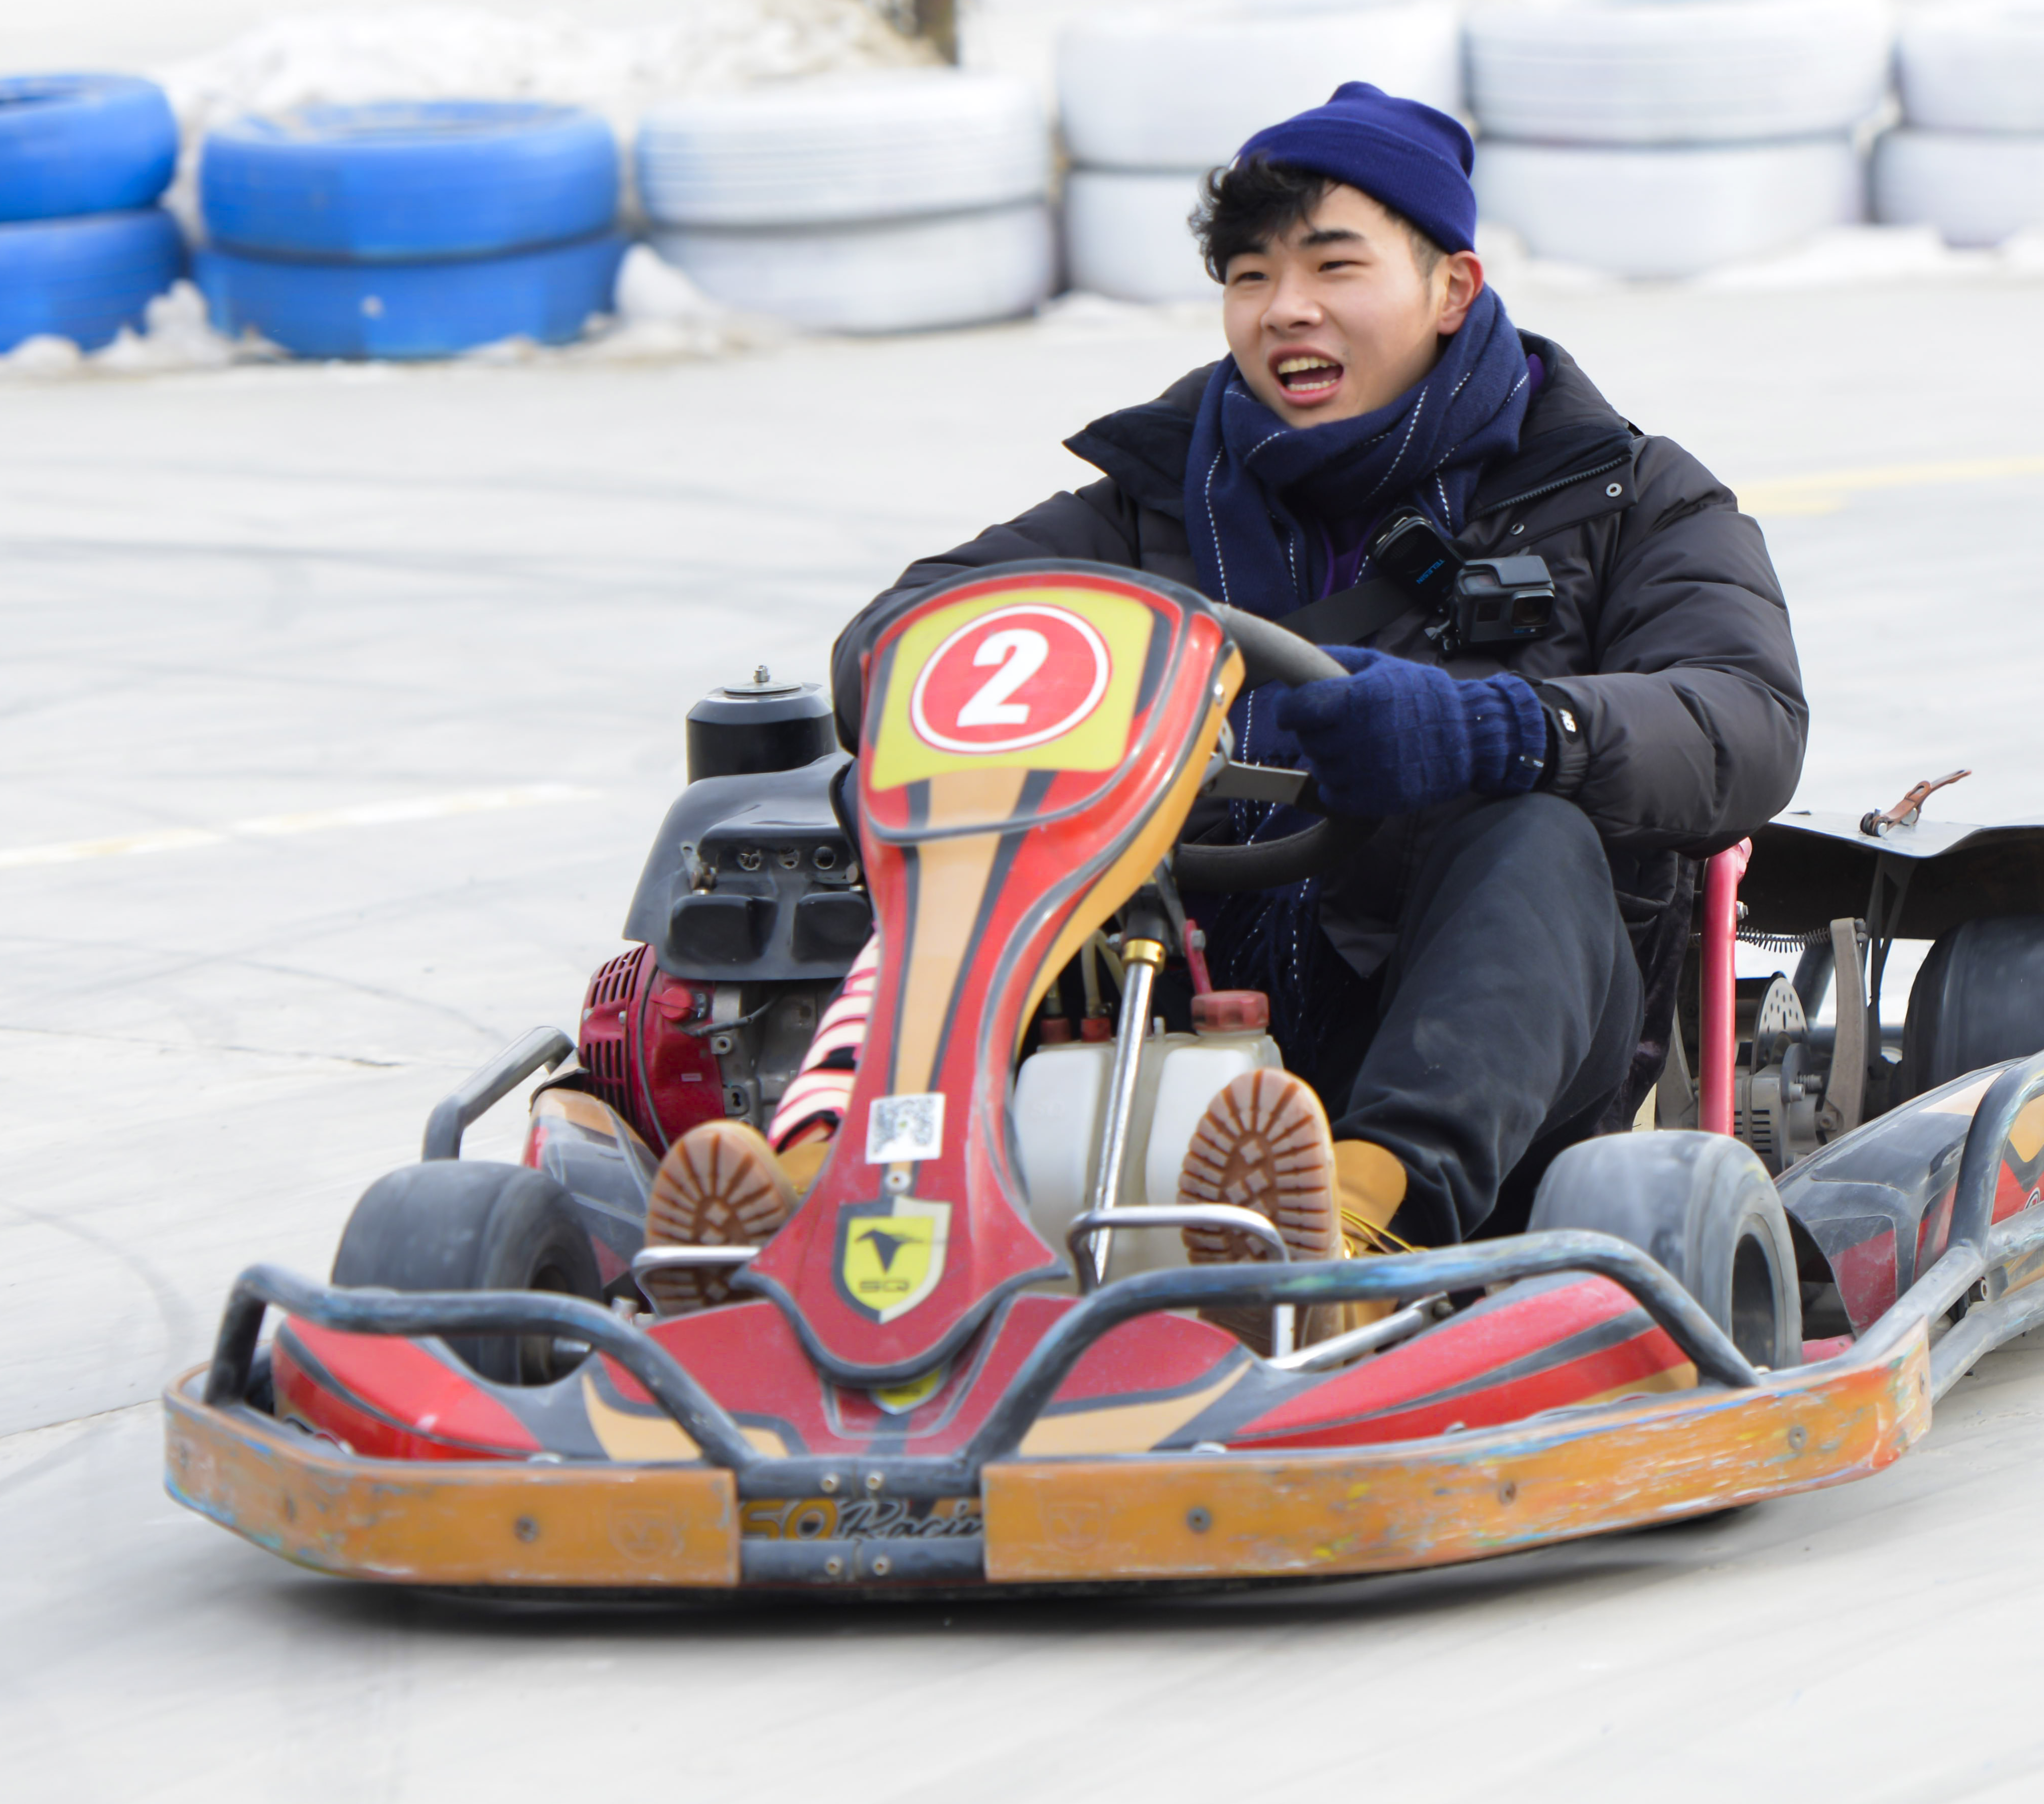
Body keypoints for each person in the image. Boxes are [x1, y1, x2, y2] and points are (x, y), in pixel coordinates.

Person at [637, 82, 1806, 1339]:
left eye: (1331, 263)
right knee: (952, 845)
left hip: (1465, 1019)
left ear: (1451, 287)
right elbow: (910, 628)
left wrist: (1507, 726)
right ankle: (832, 1184)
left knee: (1530, 831)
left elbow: (1740, 715)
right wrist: (952, 693)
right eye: (1249, 276)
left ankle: (1357, 1225)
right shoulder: (1150, 505)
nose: (1283, 307)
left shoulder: (1621, 493)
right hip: (1157, 981)